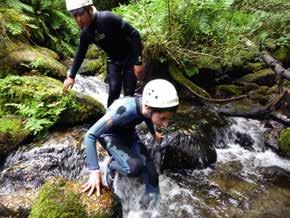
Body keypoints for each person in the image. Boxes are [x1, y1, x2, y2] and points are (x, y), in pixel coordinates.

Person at [82, 79, 179, 202]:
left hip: (129, 135)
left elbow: (148, 118)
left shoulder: (147, 109)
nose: (166, 124)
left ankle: (152, 208)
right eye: (163, 118)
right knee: (134, 168)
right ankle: (110, 165)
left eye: (168, 119)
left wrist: (154, 134)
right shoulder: (124, 110)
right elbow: (90, 135)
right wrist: (94, 171)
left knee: (151, 172)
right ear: (149, 108)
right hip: (111, 136)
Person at [64, 0, 144, 107]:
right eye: (75, 16)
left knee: (129, 93)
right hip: (113, 59)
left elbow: (134, 34)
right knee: (114, 90)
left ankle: (130, 122)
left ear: (89, 9)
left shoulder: (107, 18)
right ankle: (110, 121)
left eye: (81, 13)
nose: (79, 19)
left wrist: (138, 62)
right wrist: (71, 76)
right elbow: (80, 53)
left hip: (130, 58)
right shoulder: (86, 33)